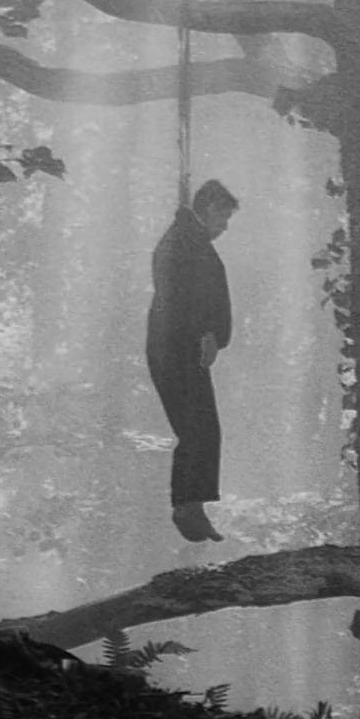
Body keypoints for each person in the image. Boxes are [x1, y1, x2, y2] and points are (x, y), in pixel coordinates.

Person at [146, 179, 239, 542]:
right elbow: (178, 294)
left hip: (182, 348)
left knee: (202, 428)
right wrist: (203, 331)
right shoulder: (183, 241)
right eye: (223, 217)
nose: (225, 227)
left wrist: (211, 334)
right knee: (197, 427)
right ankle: (187, 507)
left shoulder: (191, 241)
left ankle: (192, 505)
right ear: (210, 209)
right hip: (176, 349)